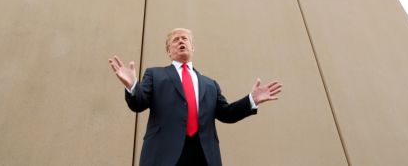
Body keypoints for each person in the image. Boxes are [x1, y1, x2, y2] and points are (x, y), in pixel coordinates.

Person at [109, 28, 282, 166]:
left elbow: (227, 114)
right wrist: (132, 86)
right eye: (175, 40)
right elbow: (139, 103)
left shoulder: (210, 84)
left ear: (193, 47)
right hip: (164, 153)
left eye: (185, 38)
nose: (181, 41)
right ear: (169, 51)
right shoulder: (155, 74)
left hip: (203, 155)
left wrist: (251, 99)